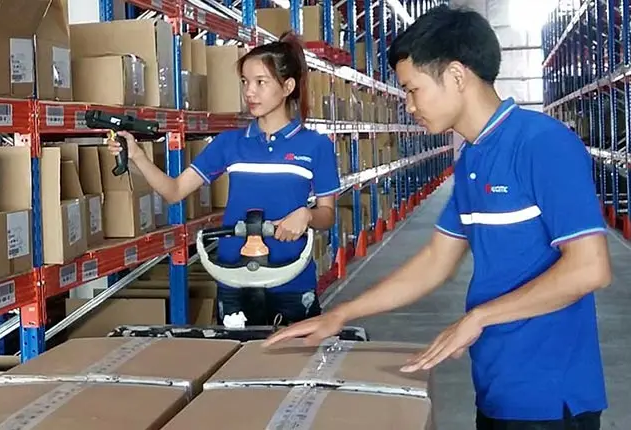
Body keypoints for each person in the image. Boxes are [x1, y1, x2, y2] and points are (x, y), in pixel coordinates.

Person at [263, 5, 611, 429]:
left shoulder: (542, 144)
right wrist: (341, 314)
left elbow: (589, 269)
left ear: (457, 76)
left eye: (413, 89)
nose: (408, 105)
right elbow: (435, 262)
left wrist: (478, 317)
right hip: (498, 385)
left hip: (551, 396)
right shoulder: (472, 158)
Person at [106, 31, 342, 326]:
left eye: (260, 82)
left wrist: (306, 215)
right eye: (245, 82)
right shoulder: (229, 144)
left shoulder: (315, 146)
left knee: (291, 367)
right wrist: (138, 156)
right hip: (233, 276)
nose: (249, 92)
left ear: (288, 86)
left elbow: (327, 215)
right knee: (236, 365)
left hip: (292, 279)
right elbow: (175, 191)